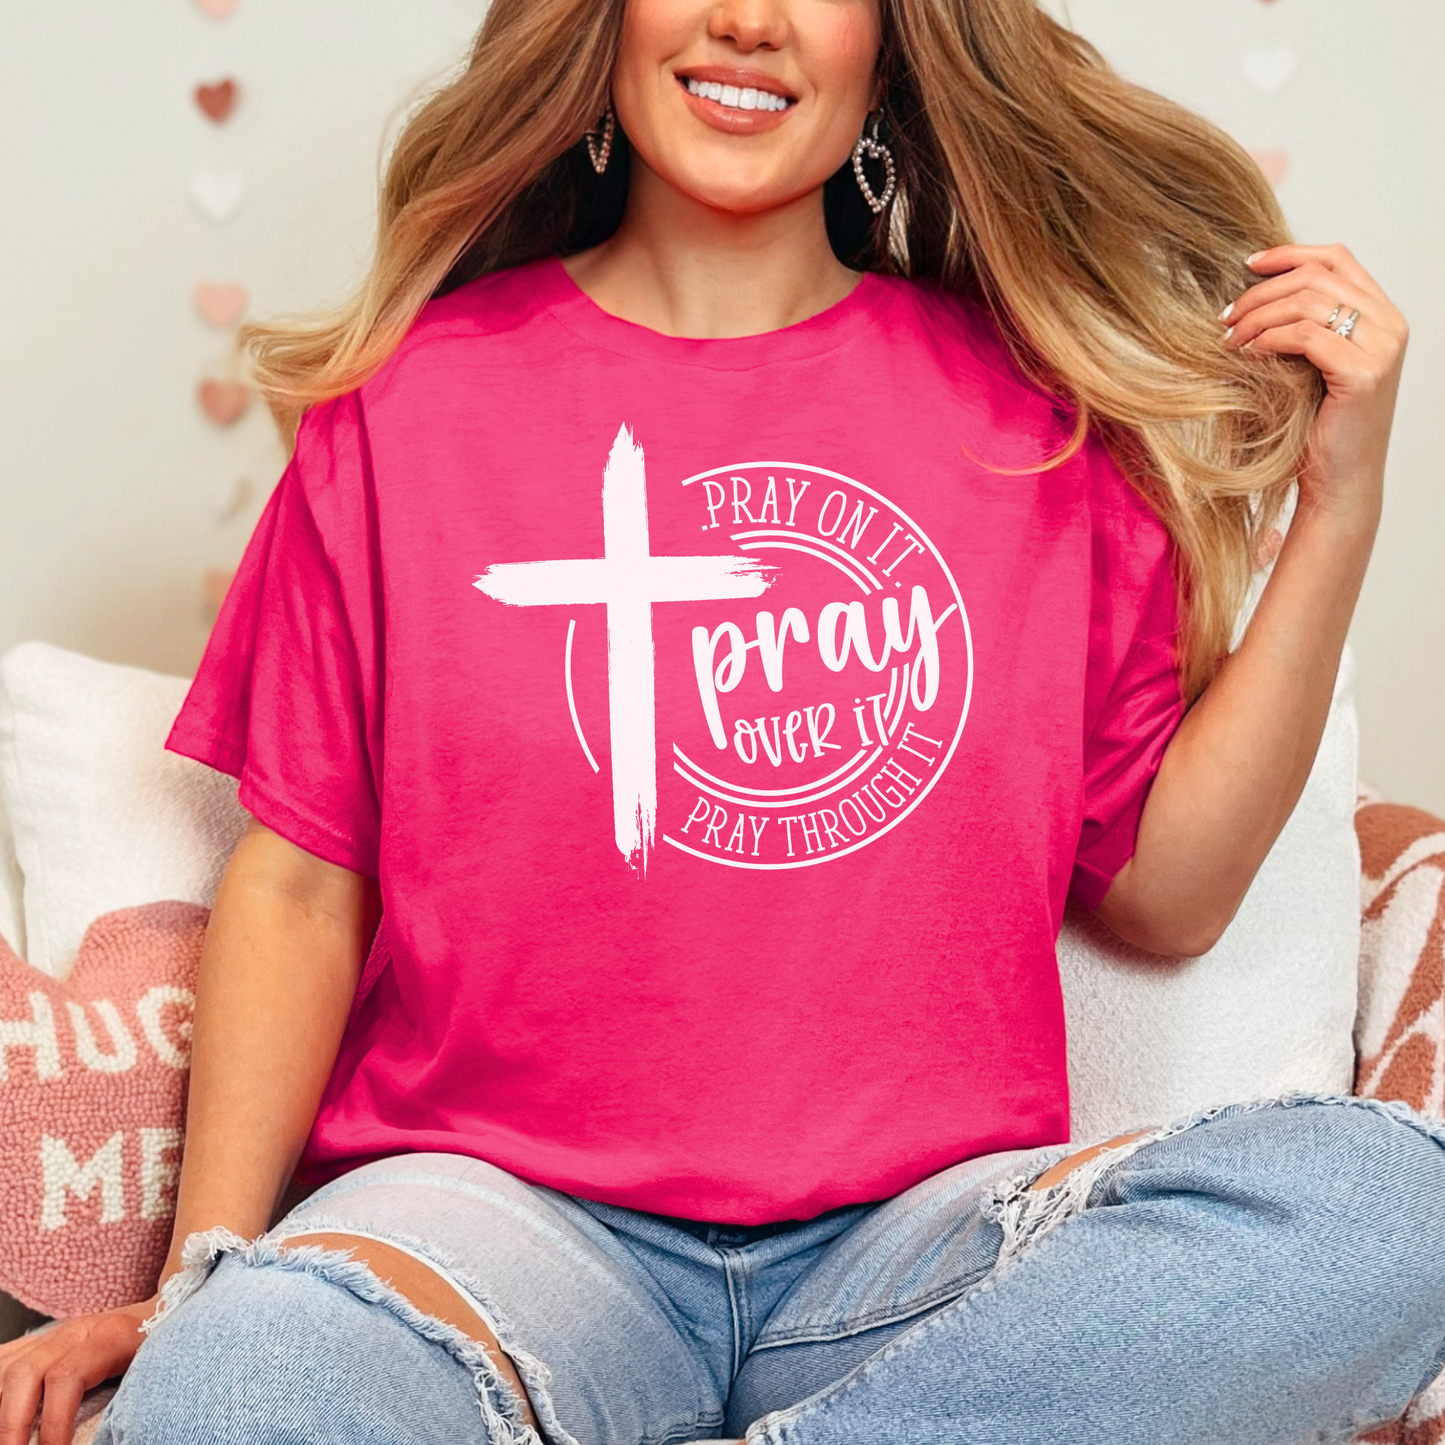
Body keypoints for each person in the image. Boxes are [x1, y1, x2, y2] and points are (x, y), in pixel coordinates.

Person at [3, 0, 1438, 1442]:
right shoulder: (405, 405)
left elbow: (1171, 895)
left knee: (1402, 1210)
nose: (749, 21)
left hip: (913, 1251)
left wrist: (1342, 502)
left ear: (889, 47)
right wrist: (197, 1282)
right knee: (237, 1387)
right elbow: (307, 882)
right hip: (494, 1226)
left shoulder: (1042, 420)